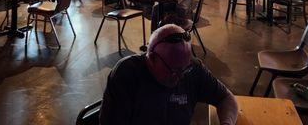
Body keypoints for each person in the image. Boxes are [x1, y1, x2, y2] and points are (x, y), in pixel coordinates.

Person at [100, 24, 238, 125]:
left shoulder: (192, 69)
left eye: (185, 69)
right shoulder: (127, 74)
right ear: (152, 58)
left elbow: (226, 98)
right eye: (174, 71)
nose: (181, 76)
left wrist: (227, 123)